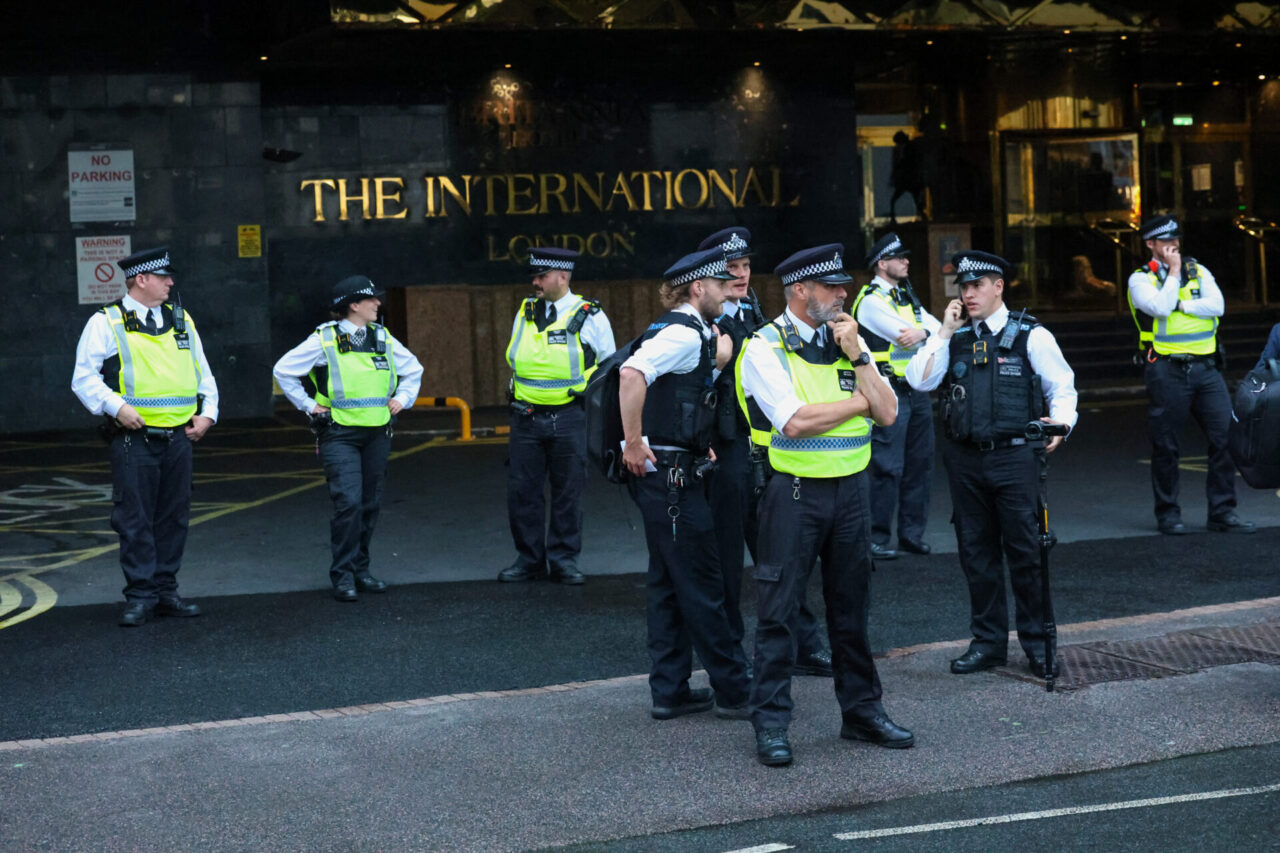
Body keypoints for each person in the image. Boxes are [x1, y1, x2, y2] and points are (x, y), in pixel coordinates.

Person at [740, 243, 911, 767]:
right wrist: (861, 400)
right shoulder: (764, 348)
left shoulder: (848, 342)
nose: (844, 294)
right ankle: (771, 724)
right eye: (832, 287)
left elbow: (890, 414)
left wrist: (860, 356)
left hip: (851, 494)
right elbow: (794, 421)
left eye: (844, 286)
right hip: (793, 495)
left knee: (852, 613)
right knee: (779, 615)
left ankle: (862, 714)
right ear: (799, 291)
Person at [905, 250, 1078, 677]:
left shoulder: (1029, 335)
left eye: (976, 285)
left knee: (1025, 553)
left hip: (1015, 457)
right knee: (976, 555)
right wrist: (943, 332)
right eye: (963, 287)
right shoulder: (954, 336)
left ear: (998, 286)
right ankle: (988, 643)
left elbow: (1064, 386)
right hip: (966, 461)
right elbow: (919, 379)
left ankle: (1039, 644)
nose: (968, 294)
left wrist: (1060, 425)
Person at [619, 246, 752, 721]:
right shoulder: (679, 332)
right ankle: (736, 690)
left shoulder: (690, 331)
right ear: (698, 288)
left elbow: (679, 397)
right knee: (702, 583)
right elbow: (632, 374)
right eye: (720, 283)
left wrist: (696, 443)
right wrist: (633, 442)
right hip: (671, 483)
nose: (727, 288)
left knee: (669, 583)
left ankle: (669, 689)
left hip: (673, 472)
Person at [71, 246, 218, 627]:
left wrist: (208, 414)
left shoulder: (182, 319)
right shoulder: (106, 321)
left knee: (174, 518)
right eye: (164, 276)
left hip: (180, 437)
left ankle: (166, 592)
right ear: (142, 279)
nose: (171, 282)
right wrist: (115, 406)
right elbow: (83, 377)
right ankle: (140, 596)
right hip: (133, 439)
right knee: (134, 520)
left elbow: (204, 374)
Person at [272, 275, 424, 601]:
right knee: (349, 504)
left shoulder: (382, 337)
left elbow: (414, 370)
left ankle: (361, 570)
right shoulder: (325, 340)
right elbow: (283, 369)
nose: (378, 304)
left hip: (377, 432)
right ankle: (342, 575)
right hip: (339, 433)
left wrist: (404, 398)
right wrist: (309, 406)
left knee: (369, 504)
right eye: (372, 299)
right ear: (354, 305)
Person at [1127, 215, 1255, 535]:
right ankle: (1168, 514)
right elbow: (1158, 308)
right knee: (1167, 445)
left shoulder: (1199, 271)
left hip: (1206, 369)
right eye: (1165, 241)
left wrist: (1182, 305)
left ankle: (1222, 512)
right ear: (1150, 245)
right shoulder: (1140, 279)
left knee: (1226, 437)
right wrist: (1172, 275)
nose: (1173, 246)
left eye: (1176, 240)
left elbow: (1218, 306)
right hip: (1167, 369)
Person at [499, 248, 616, 585]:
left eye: (541, 276)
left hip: (569, 417)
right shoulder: (525, 310)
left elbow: (608, 366)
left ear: (563, 277)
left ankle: (563, 560)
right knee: (523, 492)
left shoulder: (590, 315)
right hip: (526, 417)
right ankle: (529, 560)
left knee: (568, 492)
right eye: (534, 277)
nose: (535, 282)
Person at [853, 232, 941, 560]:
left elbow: (935, 329)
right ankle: (875, 538)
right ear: (882, 264)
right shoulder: (873, 301)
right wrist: (930, 334)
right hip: (889, 391)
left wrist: (929, 332)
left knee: (920, 465)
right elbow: (909, 339)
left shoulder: (906, 296)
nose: (906, 261)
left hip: (915, 391)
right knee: (887, 467)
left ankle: (911, 535)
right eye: (899, 257)